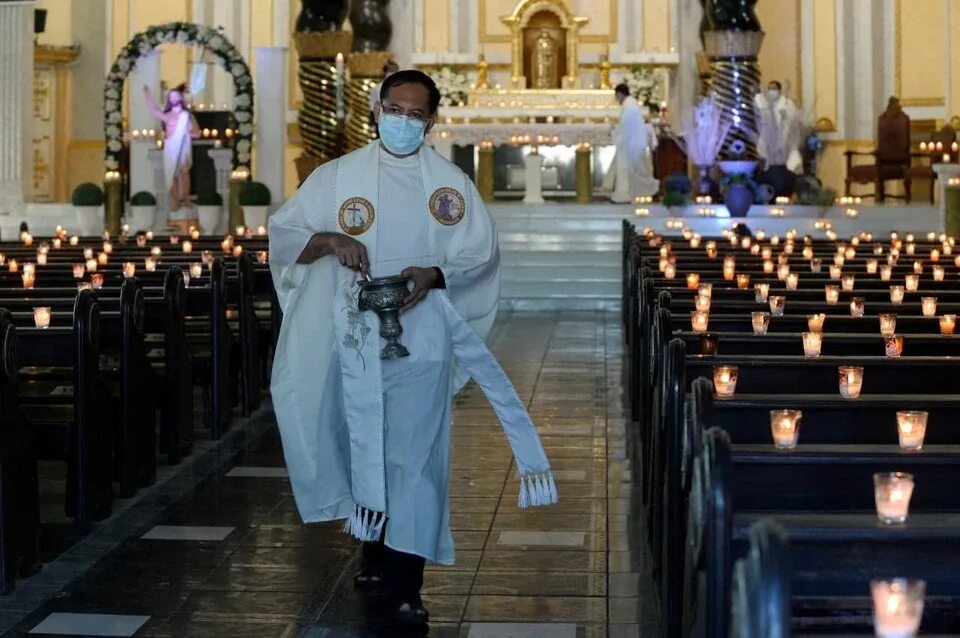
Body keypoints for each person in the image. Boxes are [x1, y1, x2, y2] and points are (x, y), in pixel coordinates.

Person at [269, 69, 557, 628]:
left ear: (431, 121)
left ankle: (408, 582)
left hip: (421, 341)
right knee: (364, 445)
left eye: (414, 114)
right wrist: (331, 239)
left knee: (415, 456)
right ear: (377, 109)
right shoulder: (335, 178)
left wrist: (433, 273)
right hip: (351, 341)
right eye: (393, 109)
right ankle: (375, 553)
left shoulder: (450, 188)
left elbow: (482, 256)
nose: (402, 121)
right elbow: (283, 236)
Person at [143, 83, 200, 218]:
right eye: (171, 97)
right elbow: (154, 110)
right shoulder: (167, 115)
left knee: (184, 170)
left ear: (180, 98)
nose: (174, 99)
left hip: (184, 145)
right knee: (172, 174)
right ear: (169, 99)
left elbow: (196, 133)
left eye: (176, 96)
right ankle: (175, 201)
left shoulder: (186, 115)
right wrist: (147, 96)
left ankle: (186, 198)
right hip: (171, 146)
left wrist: (188, 132)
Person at [608, 83, 660, 203]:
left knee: (631, 172)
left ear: (620, 94)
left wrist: (614, 132)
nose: (616, 100)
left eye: (616, 96)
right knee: (631, 171)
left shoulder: (630, 106)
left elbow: (625, 128)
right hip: (632, 143)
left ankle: (627, 195)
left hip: (631, 144)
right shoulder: (630, 104)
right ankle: (627, 194)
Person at [753, 80, 802, 173]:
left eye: (774, 88)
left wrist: (784, 119)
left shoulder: (787, 103)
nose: (771, 91)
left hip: (782, 137)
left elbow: (792, 121)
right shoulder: (762, 101)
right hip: (766, 135)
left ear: (779, 90)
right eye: (770, 88)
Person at [369, 60, 400, 129]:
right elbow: (373, 105)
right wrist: (372, 121)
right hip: (382, 119)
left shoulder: (400, 88)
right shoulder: (377, 88)